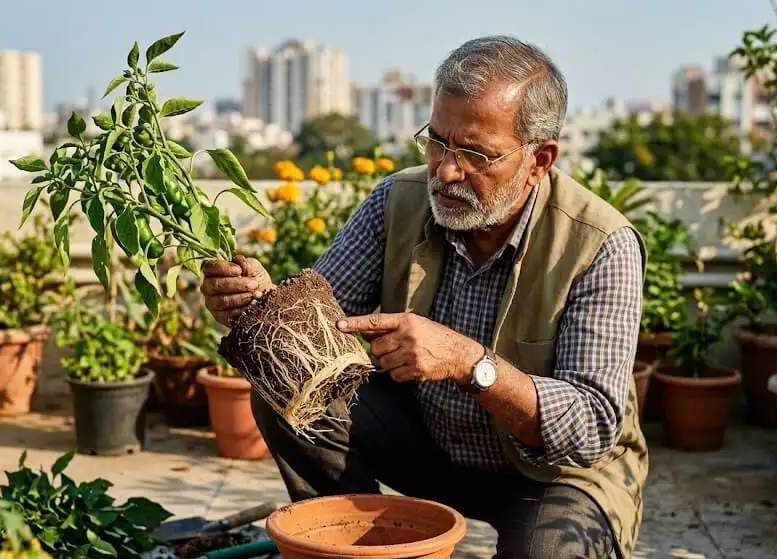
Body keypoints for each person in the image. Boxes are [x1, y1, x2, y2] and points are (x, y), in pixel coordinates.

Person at [200, 35, 647, 559]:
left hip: (552, 477)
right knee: (287, 387)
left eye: (476, 153)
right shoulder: (398, 201)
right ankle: (350, 544)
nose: (446, 170)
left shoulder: (599, 243)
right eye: (437, 141)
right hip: (429, 447)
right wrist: (256, 305)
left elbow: (591, 429)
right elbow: (315, 329)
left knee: (549, 551)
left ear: (539, 159)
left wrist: (468, 363)